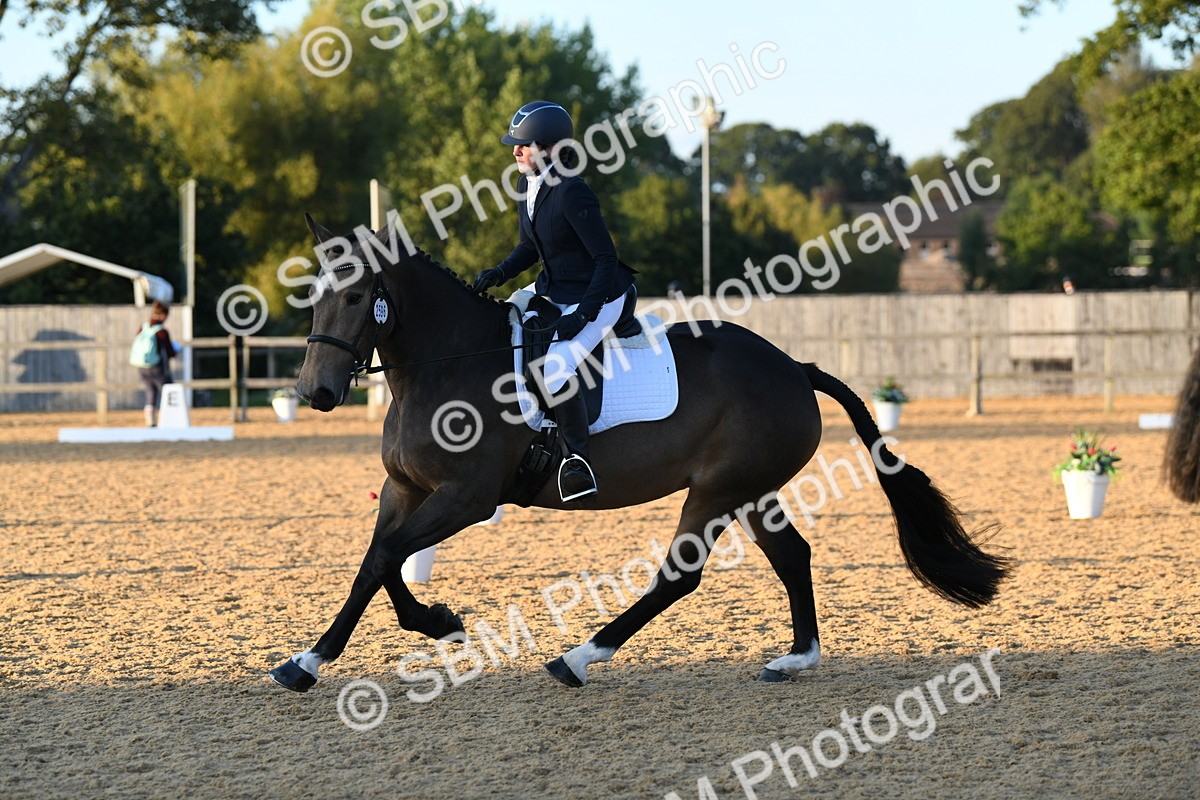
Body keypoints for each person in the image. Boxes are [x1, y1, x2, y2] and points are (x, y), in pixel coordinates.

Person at [473, 100, 637, 502]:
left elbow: (606, 259)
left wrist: (583, 317)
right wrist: (500, 273)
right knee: (506, 321)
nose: (515, 150)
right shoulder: (526, 185)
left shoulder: (572, 192)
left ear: (548, 148)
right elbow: (530, 246)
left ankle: (578, 461)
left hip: (601, 292)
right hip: (556, 287)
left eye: (523, 145)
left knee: (556, 368)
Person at [130, 300, 180, 427]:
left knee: (150, 392)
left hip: (142, 366)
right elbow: (170, 352)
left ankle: (151, 421)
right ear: (163, 315)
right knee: (168, 392)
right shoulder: (161, 331)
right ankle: (171, 419)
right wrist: (177, 350)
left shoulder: (143, 327)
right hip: (157, 367)